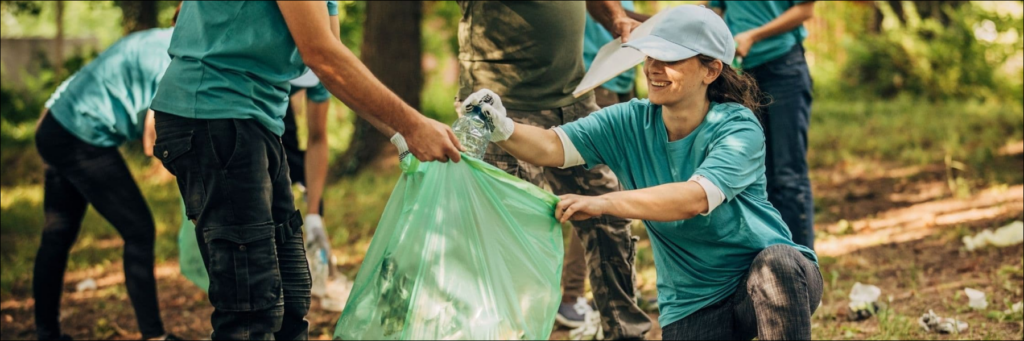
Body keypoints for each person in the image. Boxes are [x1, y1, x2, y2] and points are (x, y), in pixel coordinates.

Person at [462, 5, 821, 340]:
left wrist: (604, 203)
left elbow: (693, 198)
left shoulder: (737, 127)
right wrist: (502, 127)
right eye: (651, 56)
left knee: (778, 265)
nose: (653, 68)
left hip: (765, 280)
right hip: (693, 302)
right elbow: (552, 147)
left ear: (710, 71)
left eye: (671, 59)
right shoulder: (630, 120)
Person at [149, 2, 462, 340]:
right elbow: (321, 55)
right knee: (251, 308)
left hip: (257, 120)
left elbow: (334, 57)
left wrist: (401, 136)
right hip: (216, 114)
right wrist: (412, 126)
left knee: (291, 292)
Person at [455, 1, 652, 338]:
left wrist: (617, 16)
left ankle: (626, 332)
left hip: (573, 100)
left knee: (610, 217)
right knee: (512, 237)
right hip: (501, 107)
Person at [32, 10, 182, 341]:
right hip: (80, 135)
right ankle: (154, 336)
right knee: (139, 230)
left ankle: (46, 332)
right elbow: (152, 140)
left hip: (55, 125)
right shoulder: (178, 58)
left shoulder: (157, 39)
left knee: (58, 233)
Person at [557, 0, 652, 329]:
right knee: (597, 191)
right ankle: (570, 297)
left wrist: (662, 22)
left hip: (621, 84)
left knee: (622, 188)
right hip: (595, 85)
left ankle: (627, 290)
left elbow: (623, 21)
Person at [708, 1, 817, 249]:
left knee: (789, 176)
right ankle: (773, 263)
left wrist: (754, 36)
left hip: (784, 68)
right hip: (744, 75)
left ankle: (802, 267)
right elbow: (715, 11)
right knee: (759, 176)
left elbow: (805, 10)